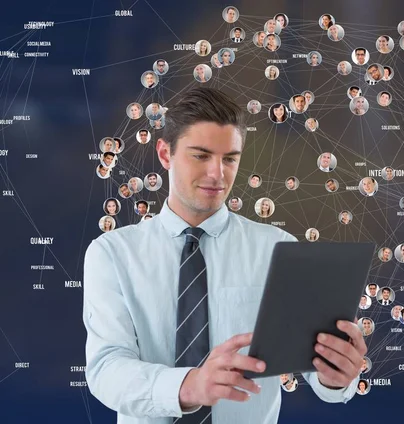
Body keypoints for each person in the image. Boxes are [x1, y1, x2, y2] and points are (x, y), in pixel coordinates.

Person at [83, 87, 365, 424]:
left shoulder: (278, 248)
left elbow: (312, 367)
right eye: (201, 155)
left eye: (230, 158)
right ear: (164, 154)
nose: (218, 174)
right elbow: (106, 368)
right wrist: (187, 386)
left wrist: (335, 376)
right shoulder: (112, 254)